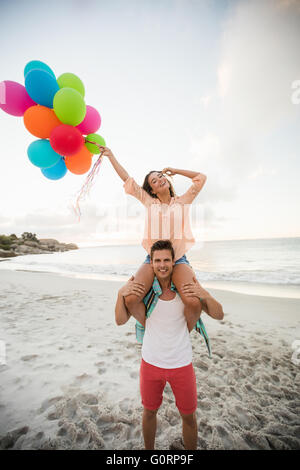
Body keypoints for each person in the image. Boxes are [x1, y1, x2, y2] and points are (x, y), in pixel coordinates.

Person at [115, 239, 224, 450]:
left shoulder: (187, 293)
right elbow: (120, 320)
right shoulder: (145, 295)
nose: (162, 265)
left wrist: (205, 294)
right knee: (149, 412)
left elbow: (219, 314)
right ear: (151, 263)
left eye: (166, 260)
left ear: (174, 262)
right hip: (151, 365)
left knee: (189, 417)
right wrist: (120, 293)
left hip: (181, 365)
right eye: (157, 261)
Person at [99, 146, 206, 332]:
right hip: (152, 259)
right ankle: (153, 331)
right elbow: (127, 179)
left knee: (194, 302)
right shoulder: (149, 202)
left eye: (161, 176)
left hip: (178, 258)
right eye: (154, 181)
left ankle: (180, 334)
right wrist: (111, 156)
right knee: (131, 299)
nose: (160, 180)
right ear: (153, 190)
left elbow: (200, 178)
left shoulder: (183, 201)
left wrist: (176, 171)